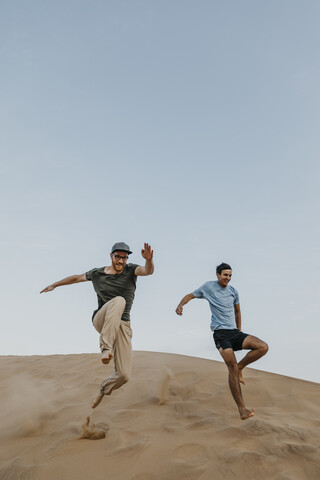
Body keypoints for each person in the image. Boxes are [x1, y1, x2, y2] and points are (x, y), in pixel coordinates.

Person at [41, 242, 154, 408]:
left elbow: (147, 271)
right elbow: (76, 278)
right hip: (102, 319)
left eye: (124, 258)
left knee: (124, 375)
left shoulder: (131, 270)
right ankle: (106, 349)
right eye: (118, 257)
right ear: (111, 256)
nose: (121, 261)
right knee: (119, 301)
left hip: (123, 325)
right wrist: (54, 285)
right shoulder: (97, 273)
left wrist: (149, 261)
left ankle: (103, 389)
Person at [175, 262, 268, 420]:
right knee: (231, 367)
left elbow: (237, 310)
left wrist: (239, 330)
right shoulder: (208, 287)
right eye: (225, 275)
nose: (228, 278)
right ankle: (242, 409)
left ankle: (241, 367)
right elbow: (190, 295)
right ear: (218, 275)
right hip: (221, 334)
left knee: (262, 347)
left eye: (230, 275)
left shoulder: (233, 291)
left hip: (234, 332)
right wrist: (180, 305)